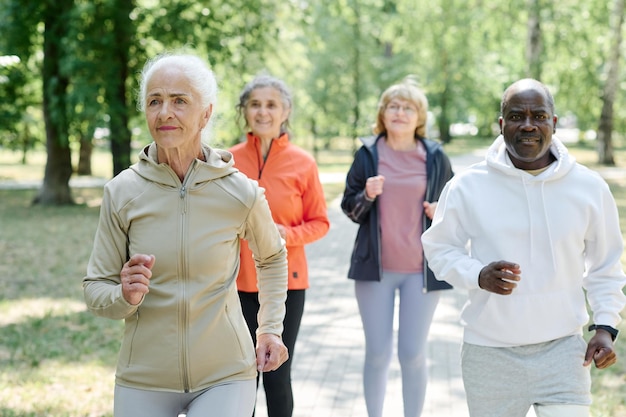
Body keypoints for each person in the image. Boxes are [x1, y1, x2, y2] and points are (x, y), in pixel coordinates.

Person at [82, 53, 289, 417]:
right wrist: (125, 294)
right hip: (143, 377)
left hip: (225, 374)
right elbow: (96, 288)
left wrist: (270, 328)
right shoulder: (122, 192)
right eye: (154, 101)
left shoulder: (239, 191)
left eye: (179, 101)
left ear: (205, 113)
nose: (165, 112)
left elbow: (272, 256)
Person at [421, 78, 626, 417]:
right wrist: (477, 274)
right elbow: (439, 249)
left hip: (563, 349)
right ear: (502, 125)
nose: (528, 125)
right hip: (489, 352)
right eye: (516, 116)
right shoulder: (467, 186)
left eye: (539, 116)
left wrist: (605, 328)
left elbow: (606, 265)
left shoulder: (589, 188)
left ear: (554, 123)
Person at [341, 78, 454, 417]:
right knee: (377, 353)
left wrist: (440, 213)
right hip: (375, 270)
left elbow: (457, 208)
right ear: (383, 113)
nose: (400, 113)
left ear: (419, 116)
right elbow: (350, 207)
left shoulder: (435, 156)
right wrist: (368, 195)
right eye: (393, 106)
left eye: (408, 108)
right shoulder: (368, 154)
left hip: (421, 272)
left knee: (412, 354)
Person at [229, 73, 330, 417]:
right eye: (255, 104)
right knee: (241, 375)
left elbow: (320, 222)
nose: (262, 112)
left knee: (276, 373)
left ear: (285, 111)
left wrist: (284, 235)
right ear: (244, 111)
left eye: (271, 104)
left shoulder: (303, 163)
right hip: (235, 284)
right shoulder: (225, 161)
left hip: (288, 284)